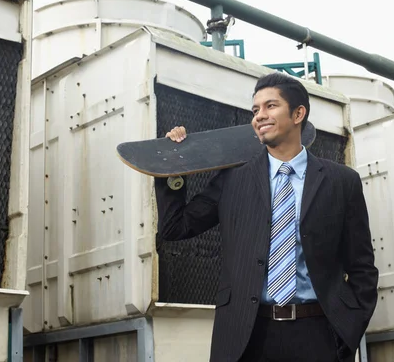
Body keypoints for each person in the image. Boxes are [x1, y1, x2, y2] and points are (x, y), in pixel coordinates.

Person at [155, 72, 378, 362]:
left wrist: (349, 328)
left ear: (299, 113)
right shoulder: (234, 179)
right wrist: (174, 169)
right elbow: (175, 227)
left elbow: (362, 266)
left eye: (270, 106)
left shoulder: (341, 182)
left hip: (319, 334)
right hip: (247, 336)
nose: (260, 116)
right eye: (255, 110)